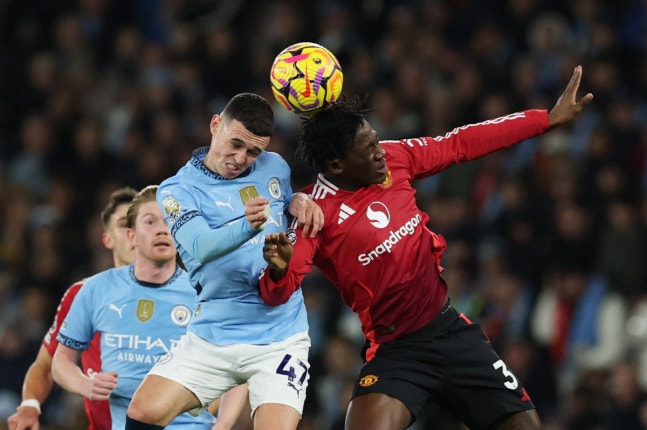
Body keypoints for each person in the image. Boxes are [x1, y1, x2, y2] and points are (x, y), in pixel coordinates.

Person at [258, 66, 594, 430]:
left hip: (450, 330)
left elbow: (460, 143)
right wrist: (278, 268)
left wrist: (545, 120)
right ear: (337, 164)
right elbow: (278, 290)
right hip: (396, 351)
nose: (380, 153)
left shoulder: (394, 158)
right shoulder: (314, 213)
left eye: (376, 141)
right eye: (369, 149)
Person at [125, 92, 324, 430]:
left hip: (280, 337)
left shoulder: (275, 166)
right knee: (143, 411)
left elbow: (285, 203)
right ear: (215, 125)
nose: (241, 158)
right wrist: (247, 225)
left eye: (253, 151)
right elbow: (200, 245)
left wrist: (300, 200)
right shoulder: (177, 190)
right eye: (235, 144)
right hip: (213, 334)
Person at [51, 185, 220, 429]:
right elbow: (61, 361)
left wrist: (223, 421)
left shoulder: (204, 293)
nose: (162, 229)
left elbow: (235, 365)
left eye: (169, 221)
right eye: (150, 222)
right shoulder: (97, 289)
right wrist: (85, 384)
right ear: (131, 236)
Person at [7, 186, 137, 430]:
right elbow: (46, 365)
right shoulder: (82, 294)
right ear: (107, 239)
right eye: (124, 224)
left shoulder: (188, 293)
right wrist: (30, 406)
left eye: (142, 223)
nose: (134, 232)